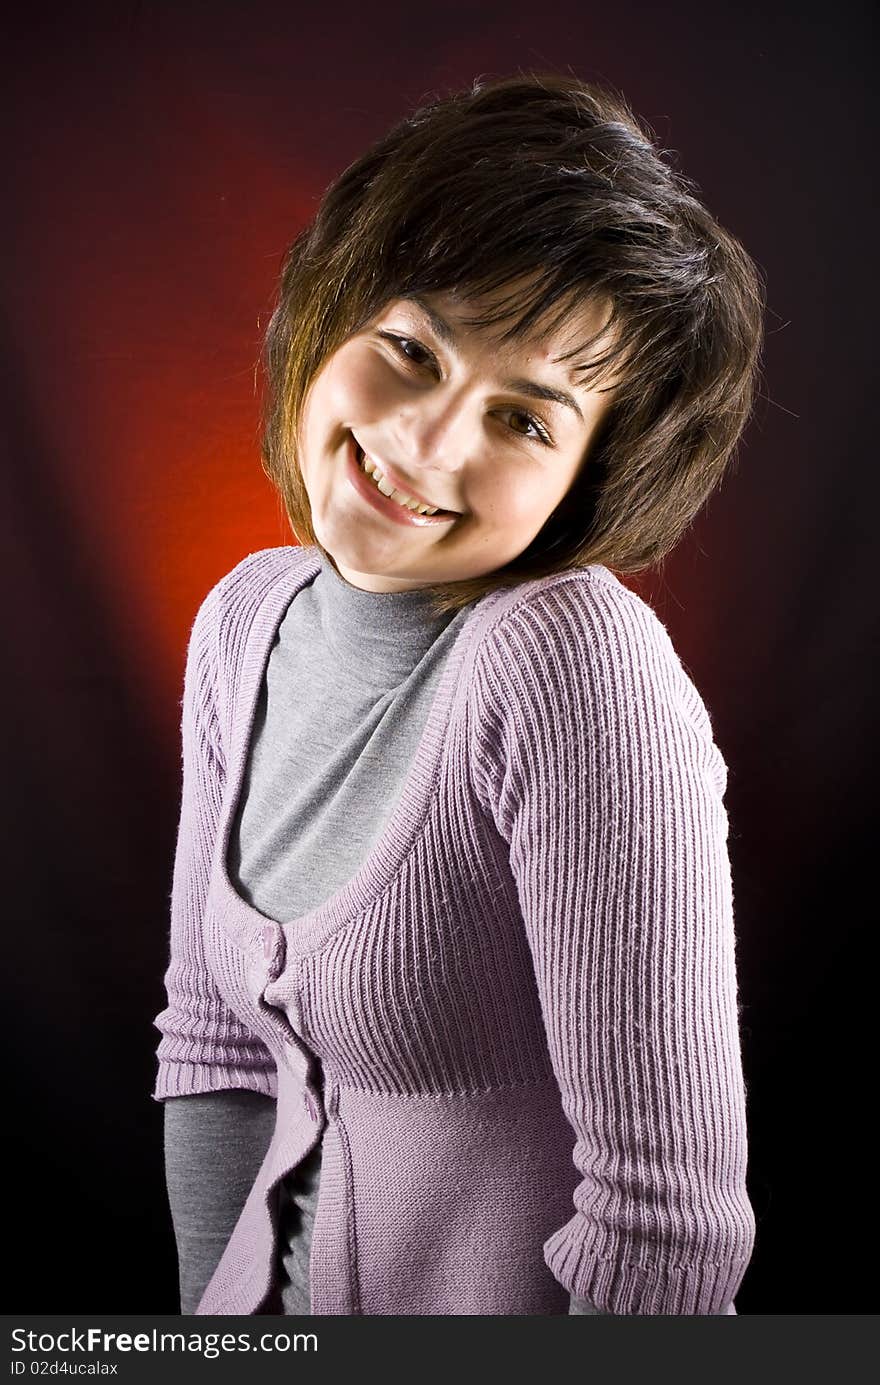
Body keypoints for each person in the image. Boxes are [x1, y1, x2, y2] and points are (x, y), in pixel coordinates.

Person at [152, 70, 765, 1316]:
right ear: (331, 317)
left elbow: (667, 1221)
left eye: (524, 419)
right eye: (410, 349)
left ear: (594, 479)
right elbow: (213, 1044)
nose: (427, 446)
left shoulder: (574, 667)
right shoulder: (241, 622)